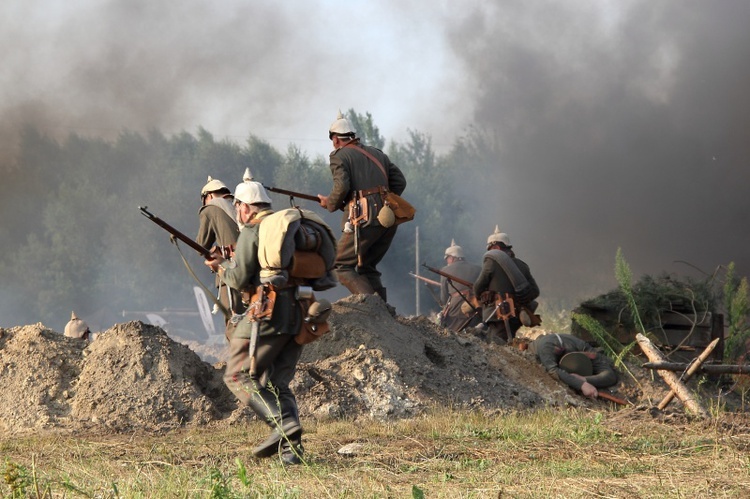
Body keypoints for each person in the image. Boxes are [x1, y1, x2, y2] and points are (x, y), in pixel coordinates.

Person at [204, 178, 305, 465]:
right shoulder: (287, 226)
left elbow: (237, 279)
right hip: (297, 312)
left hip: (268, 311)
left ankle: (281, 426)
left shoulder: (253, 229)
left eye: (237, 205)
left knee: (235, 375)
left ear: (247, 207)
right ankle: (292, 453)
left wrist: (220, 266)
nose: (236, 210)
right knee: (277, 382)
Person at [317, 110, 407, 307]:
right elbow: (399, 182)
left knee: (341, 265)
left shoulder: (338, 156)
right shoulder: (378, 153)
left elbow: (341, 188)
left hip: (363, 218)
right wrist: (381, 200)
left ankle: (375, 310)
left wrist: (330, 203)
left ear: (335, 139)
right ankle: (385, 315)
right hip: (388, 217)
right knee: (366, 266)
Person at [197, 174, 246, 339]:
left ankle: (241, 364)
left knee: (233, 320)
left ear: (208, 196)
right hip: (251, 269)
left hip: (230, 271)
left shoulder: (210, 208)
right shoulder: (239, 206)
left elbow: (201, 245)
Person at [473, 226, 539, 343]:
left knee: (498, 346)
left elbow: (477, 288)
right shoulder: (522, 265)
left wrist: (484, 294)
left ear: (496, 247)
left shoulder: (491, 263)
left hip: (498, 313)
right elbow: (534, 291)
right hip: (517, 314)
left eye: (490, 249)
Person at [529, 333, 619, 399]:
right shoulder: (547, 347)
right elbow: (553, 371)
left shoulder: (583, 348)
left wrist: (584, 379)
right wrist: (582, 385)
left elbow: (610, 376)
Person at [439, 239, 481, 332]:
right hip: (477, 307)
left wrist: (444, 305)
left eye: (447, 258)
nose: (447, 261)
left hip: (456, 311)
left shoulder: (445, 270)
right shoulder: (478, 268)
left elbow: (444, 297)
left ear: (452, 258)